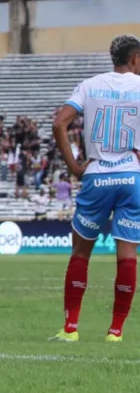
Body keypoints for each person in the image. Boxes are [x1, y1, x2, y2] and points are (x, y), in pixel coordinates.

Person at [50, 34, 140, 343]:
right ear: (134, 59)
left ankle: (71, 329)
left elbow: (59, 123)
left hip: (97, 175)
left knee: (80, 252)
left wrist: (74, 166)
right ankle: (115, 332)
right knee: (127, 255)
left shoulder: (89, 85)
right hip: (131, 177)